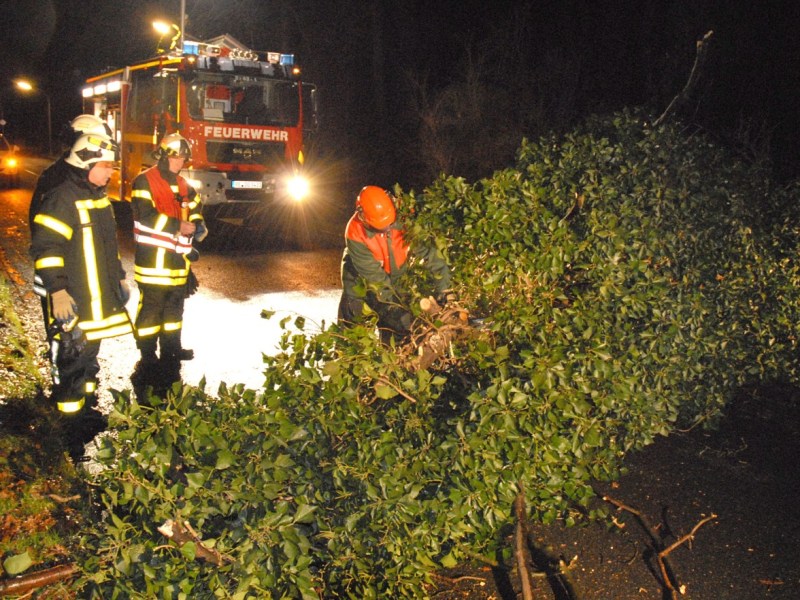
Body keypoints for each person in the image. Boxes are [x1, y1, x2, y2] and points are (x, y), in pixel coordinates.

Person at [29, 132, 132, 458]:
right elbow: (46, 249)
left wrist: (118, 279)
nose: (110, 172)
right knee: (71, 368)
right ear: (85, 163)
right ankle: (67, 435)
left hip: (95, 302)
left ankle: (85, 414)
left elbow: (106, 248)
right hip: (71, 303)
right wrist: (57, 291)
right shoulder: (62, 199)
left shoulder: (98, 198)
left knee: (88, 363)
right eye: (105, 166)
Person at [131, 133, 207, 372]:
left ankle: (172, 349)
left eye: (184, 159)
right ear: (164, 156)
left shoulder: (185, 185)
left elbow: (194, 209)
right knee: (151, 310)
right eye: (178, 158)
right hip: (153, 262)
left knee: (175, 310)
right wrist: (177, 226)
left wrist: (198, 224)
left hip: (178, 262)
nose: (181, 163)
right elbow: (144, 215)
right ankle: (147, 353)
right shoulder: (144, 181)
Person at [338, 185, 453, 342]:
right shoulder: (354, 233)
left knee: (396, 336)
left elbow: (431, 255)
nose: (387, 229)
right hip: (361, 284)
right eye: (381, 228)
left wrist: (445, 290)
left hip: (395, 279)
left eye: (389, 225)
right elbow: (378, 282)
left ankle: (392, 361)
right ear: (363, 217)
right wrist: (400, 314)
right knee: (353, 334)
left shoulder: (405, 218)